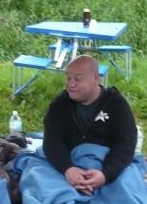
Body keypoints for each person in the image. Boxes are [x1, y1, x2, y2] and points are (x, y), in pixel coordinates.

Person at [43, 55, 137, 195]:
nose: (71, 84)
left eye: (77, 79)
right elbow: (52, 141)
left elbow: (126, 143)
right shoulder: (60, 104)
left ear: (96, 79)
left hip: (106, 166)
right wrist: (68, 169)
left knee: (128, 186)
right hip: (69, 165)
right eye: (68, 78)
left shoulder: (116, 104)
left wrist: (105, 174)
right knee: (37, 176)